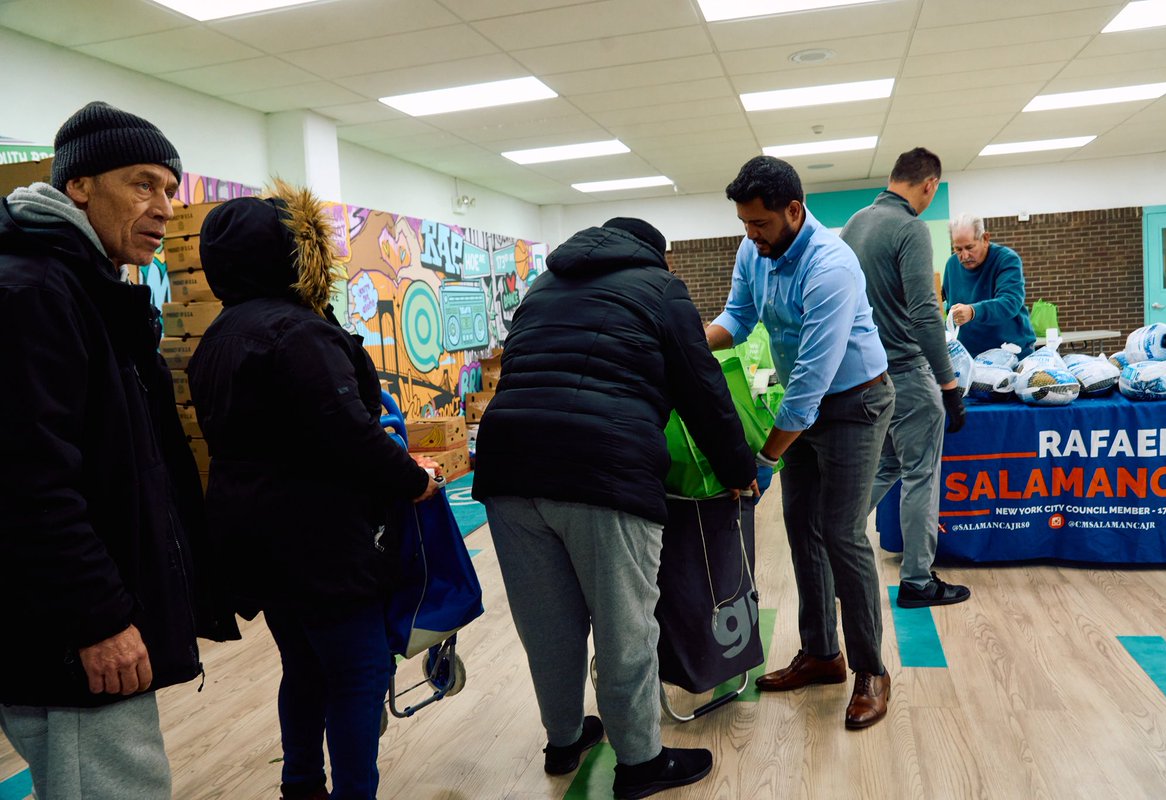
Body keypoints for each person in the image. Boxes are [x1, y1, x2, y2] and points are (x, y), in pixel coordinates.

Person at [472, 217, 758, 799]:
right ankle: (640, 762)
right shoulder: (661, 287)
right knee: (624, 624)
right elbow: (703, 389)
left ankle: (563, 739)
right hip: (602, 467)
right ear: (658, 255)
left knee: (546, 623)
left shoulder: (541, 286)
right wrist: (738, 471)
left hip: (508, 469)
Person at [0, 101, 234, 799]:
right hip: (71, 635)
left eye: (170, 188)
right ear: (78, 185)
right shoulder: (34, 292)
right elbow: (28, 483)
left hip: (84, 616)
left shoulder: (86, 287)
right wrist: (98, 617)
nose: (163, 206)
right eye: (142, 184)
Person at [186, 182, 441, 800]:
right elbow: (349, 434)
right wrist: (415, 480)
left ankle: (300, 785)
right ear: (295, 255)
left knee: (302, 665)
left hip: (251, 535)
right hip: (317, 537)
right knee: (359, 673)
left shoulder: (218, 336)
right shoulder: (299, 332)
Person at [706, 155, 896, 730]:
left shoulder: (831, 266)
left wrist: (768, 456)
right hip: (803, 409)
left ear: (794, 210)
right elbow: (736, 318)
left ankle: (871, 670)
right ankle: (821, 654)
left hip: (856, 403)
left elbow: (812, 380)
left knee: (841, 533)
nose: (750, 234)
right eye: (744, 223)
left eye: (759, 223)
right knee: (800, 529)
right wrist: (683, 344)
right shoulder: (753, 252)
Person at [840, 147, 972, 609]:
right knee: (921, 474)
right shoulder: (910, 227)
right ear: (929, 185)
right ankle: (917, 580)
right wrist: (949, 386)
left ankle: (829, 542)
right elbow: (923, 313)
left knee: (887, 466)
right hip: (908, 375)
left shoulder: (855, 224)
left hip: (868, 376)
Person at [944, 214, 1037, 358]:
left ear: (985, 239)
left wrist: (973, 311)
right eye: (958, 249)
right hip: (970, 356)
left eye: (970, 247)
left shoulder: (1006, 260)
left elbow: (1010, 302)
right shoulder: (952, 265)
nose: (965, 256)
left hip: (1011, 352)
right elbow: (950, 307)